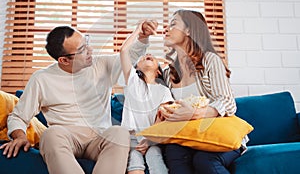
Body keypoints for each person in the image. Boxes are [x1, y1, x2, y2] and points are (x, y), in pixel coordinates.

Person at [0, 22, 157, 174]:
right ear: (64, 60)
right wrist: (19, 136)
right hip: (66, 138)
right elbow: (18, 116)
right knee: (50, 134)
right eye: (82, 49)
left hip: (99, 137)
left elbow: (130, 56)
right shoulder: (42, 79)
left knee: (120, 133)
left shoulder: (101, 65)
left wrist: (142, 37)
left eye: (86, 42)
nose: (90, 50)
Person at [158, 9, 245, 174]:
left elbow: (228, 103)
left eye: (173, 24)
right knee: (175, 156)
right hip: (185, 137)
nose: (166, 29)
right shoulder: (168, 72)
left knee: (204, 161)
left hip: (218, 135)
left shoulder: (210, 60)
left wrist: (195, 113)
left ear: (189, 30)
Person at [120, 21, 174, 174]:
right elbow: (124, 51)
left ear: (158, 72)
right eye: (143, 57)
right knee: (134, 161)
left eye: (152, 57)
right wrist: (138, 31)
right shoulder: (133, 82)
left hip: (153, 138)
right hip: (130, 138)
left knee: (155, 158)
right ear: (136, 68)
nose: (148, 55)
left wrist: (149, 140)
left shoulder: (163, 91)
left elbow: (162, 117)